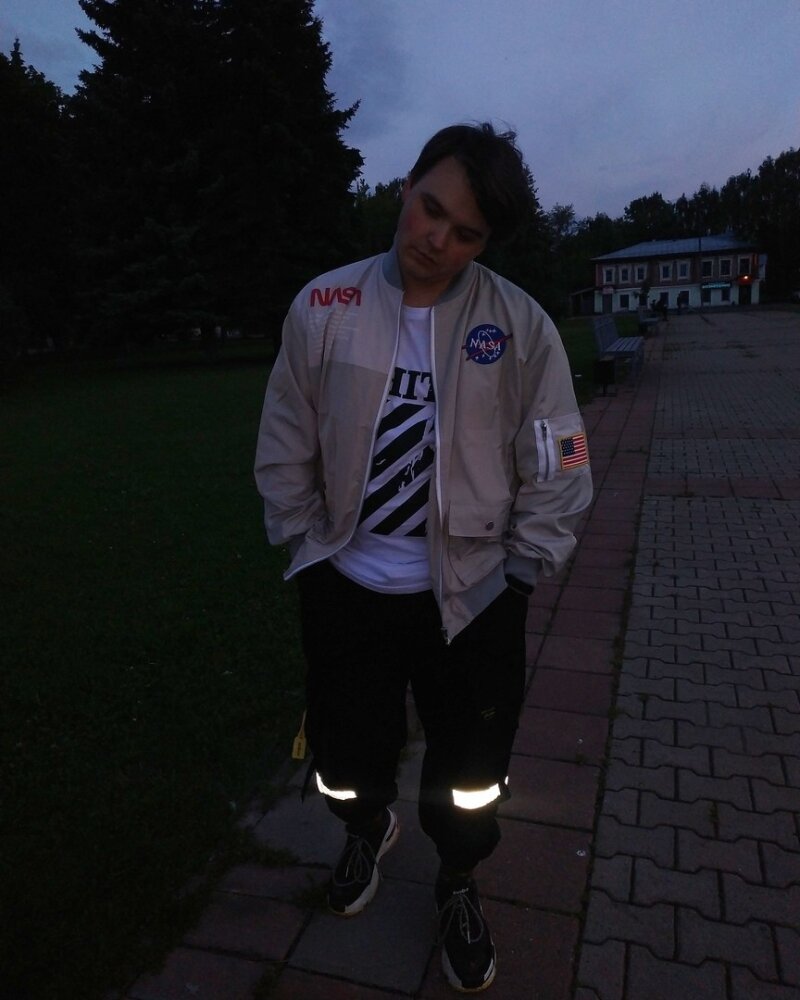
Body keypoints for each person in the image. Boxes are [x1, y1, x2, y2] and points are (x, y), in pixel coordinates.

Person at [254, 122, 592, 993]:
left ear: (486, 244)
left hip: (474, 594)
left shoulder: (519, 326)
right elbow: (285, 434)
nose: (436, 239)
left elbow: (562, 454)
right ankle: (365, 829)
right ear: (405, 187)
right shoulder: (324, 306)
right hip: (347, 581)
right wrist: (304, 545)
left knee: (470, 769)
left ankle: (459, 878)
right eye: (430, 208)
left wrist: (524, 567)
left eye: (465, 232)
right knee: (345, 746)